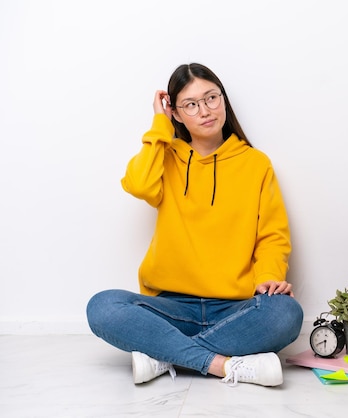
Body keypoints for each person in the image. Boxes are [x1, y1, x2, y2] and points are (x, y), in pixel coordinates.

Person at [87, 63, 303, 387]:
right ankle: (221, 364)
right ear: (176, 112)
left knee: (287, 314)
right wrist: (159, 125)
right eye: (190, 104)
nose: (205, 111)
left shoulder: (256, 164)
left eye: (211, 98)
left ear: (224, 100)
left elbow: (272, 236)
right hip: (171, 306)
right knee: (102, 306)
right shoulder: (166, 156)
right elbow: (138, 184)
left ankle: (164, 354)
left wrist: (269, 278)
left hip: (235, 308)